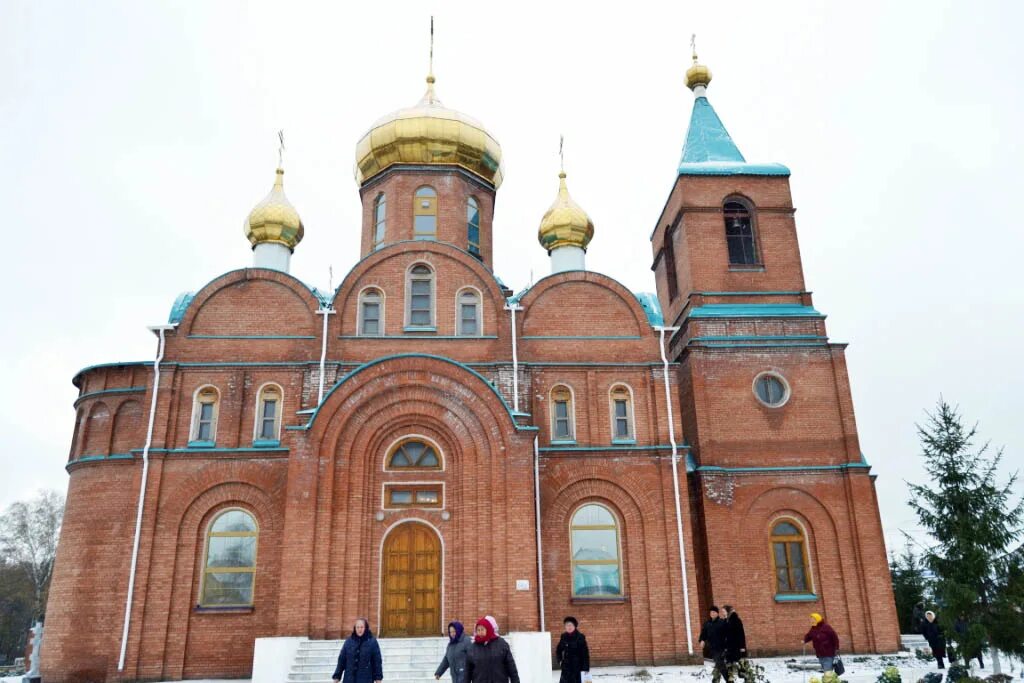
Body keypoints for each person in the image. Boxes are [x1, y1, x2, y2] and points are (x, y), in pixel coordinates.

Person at [466, 615, 519, 683]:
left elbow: (511, 667)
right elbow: (467, 672)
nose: (480, 632)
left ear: (488, 629)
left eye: (482, 629)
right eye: (478, 630)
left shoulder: (501, 644)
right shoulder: (472, 648)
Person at [333, 618, 383, 683]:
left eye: (362, 627)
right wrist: (337, 677)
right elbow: (341, 660)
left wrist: (378, 679)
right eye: (358, 627)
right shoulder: (349, 642)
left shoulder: (372, 642)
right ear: (355, 628)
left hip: (366, 679)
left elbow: (377, 662)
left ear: (366, 628)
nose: (359, 629)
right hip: (349, 679)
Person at [723, 606, 755, 683]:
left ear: (728, 611)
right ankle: (731, 680)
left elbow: (741, 634)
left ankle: (748, 679)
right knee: (729, 666)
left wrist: (742, 646)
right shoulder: (726, 621)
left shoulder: (736, 620)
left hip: (737, 647)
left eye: (724, 611)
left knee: (742, 667)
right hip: (729, 648)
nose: (723, 613)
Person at [698, 606, 729, 682]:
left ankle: (729, 681)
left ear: (717, 613)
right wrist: (702, 640)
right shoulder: (707, 624)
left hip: (721, 647)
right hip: (712, 648)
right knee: (719, 665)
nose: (712, 614)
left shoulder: (722, 622)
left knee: (720, 664)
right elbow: (703, 634)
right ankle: (716, 680)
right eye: (711, 612)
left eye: (714, 612)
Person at [556, 616, 590, 683]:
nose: (569, 627)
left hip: (578, 668)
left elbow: (585, 654)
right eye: (567, 625)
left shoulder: (580, 637)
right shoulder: (563, 636)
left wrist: (586, 668)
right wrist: (560, 661)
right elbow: (558, 650)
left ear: (574, 626)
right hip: (566, 668)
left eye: (570, 625)